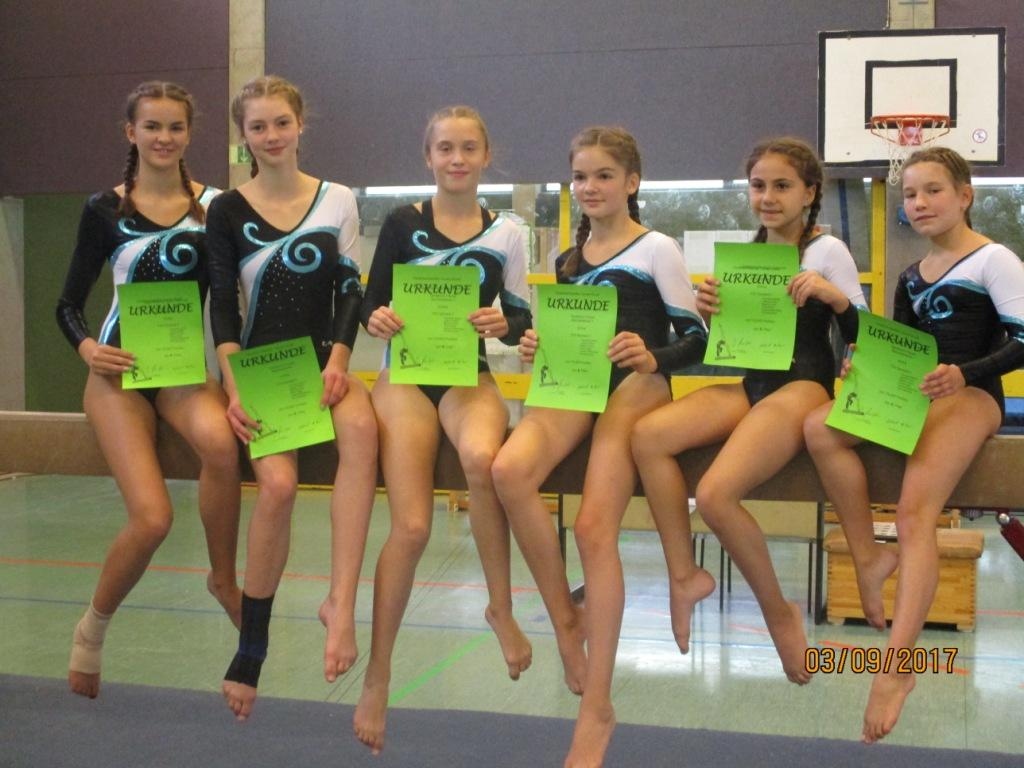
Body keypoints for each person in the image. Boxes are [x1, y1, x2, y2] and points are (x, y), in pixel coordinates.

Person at [491, 126, 707, 768]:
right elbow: (558, 333)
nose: (590, 187)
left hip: (638, 387)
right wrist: (534, 343)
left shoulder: (656, 248)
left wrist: (651, 354)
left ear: (632, 182)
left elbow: (696, 339)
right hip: (575, 385)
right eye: (580, 177)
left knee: (591, 528)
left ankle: (598, 706)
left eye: (604, 175)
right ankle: (566, 617)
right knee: (509, 471)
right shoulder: (568, 259)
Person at [803, 146, 1024, 743]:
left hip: (972, 398)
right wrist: (861, 364)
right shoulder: (909, 276)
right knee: (819, 429)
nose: (920, 203)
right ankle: (868, 557)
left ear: (965, 195)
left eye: (933, 191)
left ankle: (897, 668)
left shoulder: (994, 260)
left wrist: (964, 373)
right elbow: (899, 349)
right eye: (910, 195)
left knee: (913, 514)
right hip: (920, 394)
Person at [631, 137, 865, 683]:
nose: (768, 197)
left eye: (782, 186)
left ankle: (778, 612)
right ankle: (683, 574)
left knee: (715, 495)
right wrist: (713, 312)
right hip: (753, 385)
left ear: (809, 192)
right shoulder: (746, 255)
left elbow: (866, 333)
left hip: (805, 387)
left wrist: (833, 297)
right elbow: (736, 346)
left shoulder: (826, 251)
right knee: (648, 436)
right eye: (758, 186)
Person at [354, 105, 532, 754]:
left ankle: (500, 607)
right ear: (427, 156)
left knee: (484, 459)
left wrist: (503, 326)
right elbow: (372, 301)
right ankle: (378, 673)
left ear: (486, 155)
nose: (457, 158)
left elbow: (519, 317)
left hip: (466, 376)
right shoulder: (403, 222)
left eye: (468, 148)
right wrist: (378, 321)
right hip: (405, 375)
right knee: (412, 526)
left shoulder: (507, 231)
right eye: (445, 148)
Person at [56, 81, 242, 699]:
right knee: (154, 518)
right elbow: (67, 304)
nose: (164, 138)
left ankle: (222, 578)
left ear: (190, 134)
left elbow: (226, 303)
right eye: (152, 126)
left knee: (222, 446)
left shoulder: (215, 208)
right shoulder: (104, 209)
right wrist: (88, 349)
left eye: (175, 127)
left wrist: (231, 378)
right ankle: (91, 632)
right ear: (130, 132)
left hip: (182, 371)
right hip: (120, 373)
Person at [206, 75, 378, 721]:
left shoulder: (337, 198)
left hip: (323, 362)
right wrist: (232, 384)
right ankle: (252, 648)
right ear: (243, 136)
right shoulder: (227, 209)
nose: (272, 135)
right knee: (276, 488)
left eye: (281, 122)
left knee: (362, 433)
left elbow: (350, 288)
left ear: (300, 124)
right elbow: (223, 306)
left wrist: (340, 358)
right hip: (262, 368)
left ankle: (341, 603)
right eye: (258, 126)